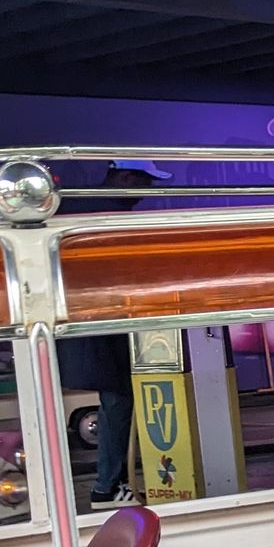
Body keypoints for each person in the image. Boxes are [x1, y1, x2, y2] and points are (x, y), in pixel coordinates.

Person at [59, 158, 172, 508]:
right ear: (123, 176)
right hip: (105, 328)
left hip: (83, 326)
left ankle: (112, 484)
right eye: (143, 182)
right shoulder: (109, 213)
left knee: (116, 403)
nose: (146, 191)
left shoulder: (76, 204)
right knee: (118, 402)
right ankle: (107, 487)